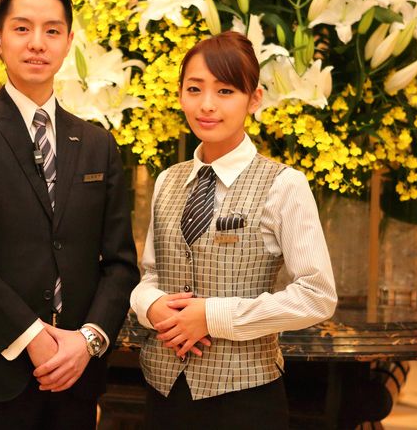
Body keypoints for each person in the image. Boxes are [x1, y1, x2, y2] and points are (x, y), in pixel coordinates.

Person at [0, 0, 139, 430]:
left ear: (68, 43)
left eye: (52, 31)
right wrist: (30, 336)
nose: (37, 44)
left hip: (76, 373)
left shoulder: (97, 144)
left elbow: (121, 263)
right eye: (22, 28)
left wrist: (87, 340)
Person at [130, 31, 337, 429]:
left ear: (254, 99)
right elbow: (151, 275)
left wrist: (214, 316)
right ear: (180, 95)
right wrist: (151, 305)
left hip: (245, 397)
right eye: (195, 89)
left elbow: (317, 296)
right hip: (164, 391)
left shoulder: (283, 184)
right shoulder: (167, 180)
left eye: (225, 91)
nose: (207, 104)